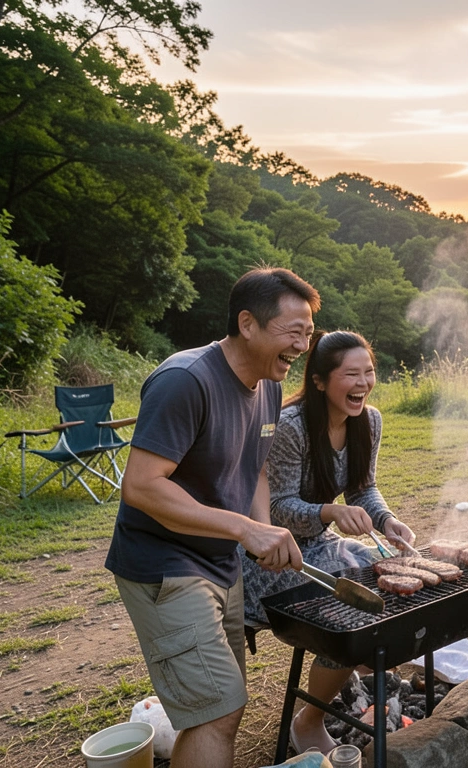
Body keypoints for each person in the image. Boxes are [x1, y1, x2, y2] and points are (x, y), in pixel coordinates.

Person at [105, 268, 320, 768]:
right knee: (217, 711)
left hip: (220, 563)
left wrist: (261, 530)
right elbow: (141, 485)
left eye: (308, 334)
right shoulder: (185, 381)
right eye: (293, 331)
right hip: (165, 564)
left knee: (219, 705)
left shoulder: (267, 385)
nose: (302, 346)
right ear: (247, 323)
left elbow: (255, 466)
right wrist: (244, 528)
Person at [241, 329, 416, 755]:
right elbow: (276, 506)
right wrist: (329, 512)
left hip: (317, 545)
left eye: (368, 372)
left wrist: (387, 520)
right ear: (319, 381)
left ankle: (353, 671)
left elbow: (362, 488)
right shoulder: (291, 427)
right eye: (351, 374)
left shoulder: (369, 421)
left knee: (379, 576)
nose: (363, 383)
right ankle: (309, 720)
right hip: (271, 557)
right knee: (349, 610)